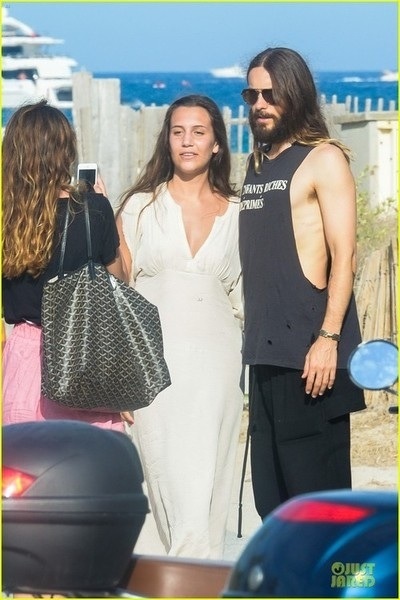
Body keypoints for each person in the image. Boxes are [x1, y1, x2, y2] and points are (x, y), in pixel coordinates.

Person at [239, 47, 366, 520]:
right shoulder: (256, 165)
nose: (259, 104)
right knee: (274, 510)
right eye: (252, 95)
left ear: (295, 94)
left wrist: (328, 339)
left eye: (270, 94)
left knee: (320, 511)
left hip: (312, 360)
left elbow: (344, 255)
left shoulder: (324, 159)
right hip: (265, 357)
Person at [116, 94, 244, 559]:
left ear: (216, 144)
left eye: (198, 132)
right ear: (167, 141)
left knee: (208, 482)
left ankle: (196, 577)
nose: (187, 142)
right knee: (163, 477)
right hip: (153, 365)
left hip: (217, 365)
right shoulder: (139, 207)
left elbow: (245, 299)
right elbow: (118, 291)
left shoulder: (240, 212)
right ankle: (176, 576)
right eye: (178, 132)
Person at [2, 100, 132, 432]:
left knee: (27, 460)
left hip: (25, 354)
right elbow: (119, 280)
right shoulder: (93, 209)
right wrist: (105, 208)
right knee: (91, 459)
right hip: (83, 353)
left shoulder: (7, 217)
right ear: (66, 151)